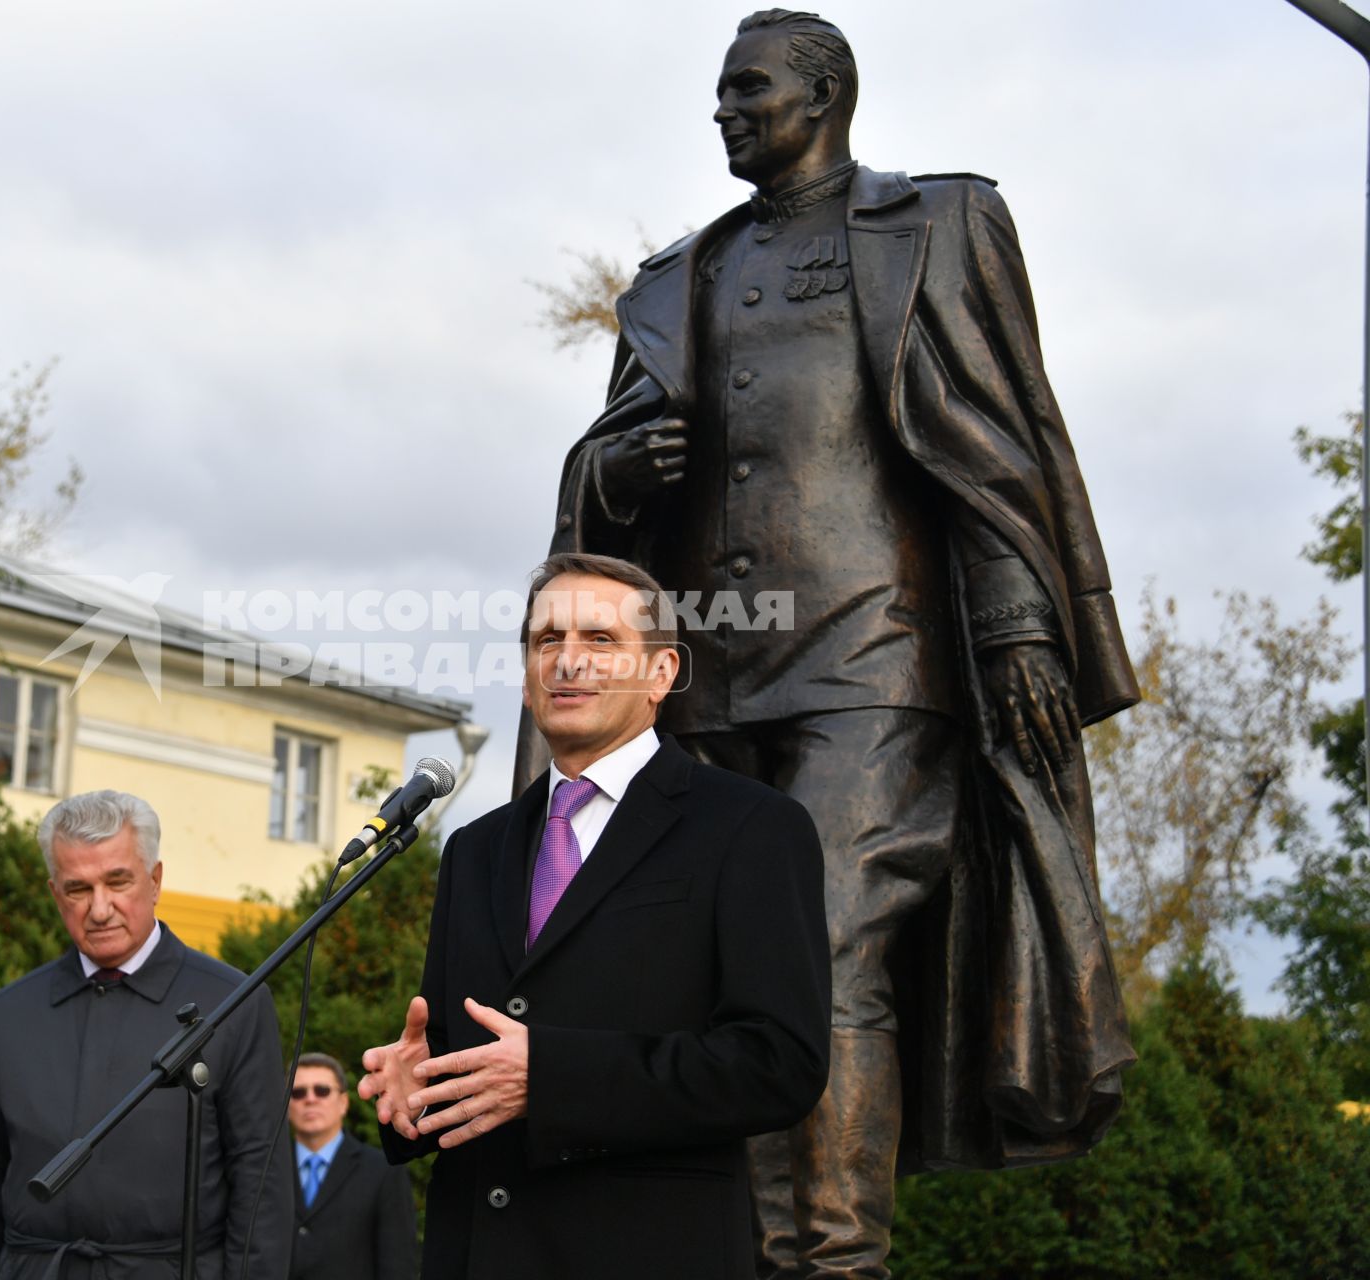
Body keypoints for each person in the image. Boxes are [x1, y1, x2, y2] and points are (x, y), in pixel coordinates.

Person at [532, 12, 1140, 1276]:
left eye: (747, 88)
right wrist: (615, 466)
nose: (723, 110)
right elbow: (598, 488)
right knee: (728, 962)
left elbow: (1000, 439)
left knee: (823, 930)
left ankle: (835, 1258)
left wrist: (1022, 620)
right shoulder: (676, 273)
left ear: (827, 91)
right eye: (717, 92)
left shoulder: (936, 222)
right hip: (705, 665)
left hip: (877, 654)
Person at [361, 554, 831, 1280]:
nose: (567, 661)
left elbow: (780, 1065)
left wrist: (551, 1078)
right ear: (525, 677)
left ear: (662, 673)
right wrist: (416, 1096)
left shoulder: (751, 828)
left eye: (600, 641)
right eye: (547, 641)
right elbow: (472, 1063)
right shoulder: (473, 848)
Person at [0, 790, 291, 1279]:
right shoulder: (9, 1013)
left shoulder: (234, 1002)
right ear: (53, 893)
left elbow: (261, 1186)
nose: (100, 908)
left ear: (155, 880)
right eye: (78, 889)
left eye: (117, 881)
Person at [285, 1053, 414, 1280]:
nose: (310, 1099)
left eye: (322, 1090)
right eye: (298, 1093)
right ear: (285, 1106)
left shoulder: (383, 1171)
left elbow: (397, 1264)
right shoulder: (263, 1169)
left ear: (343, 1102)